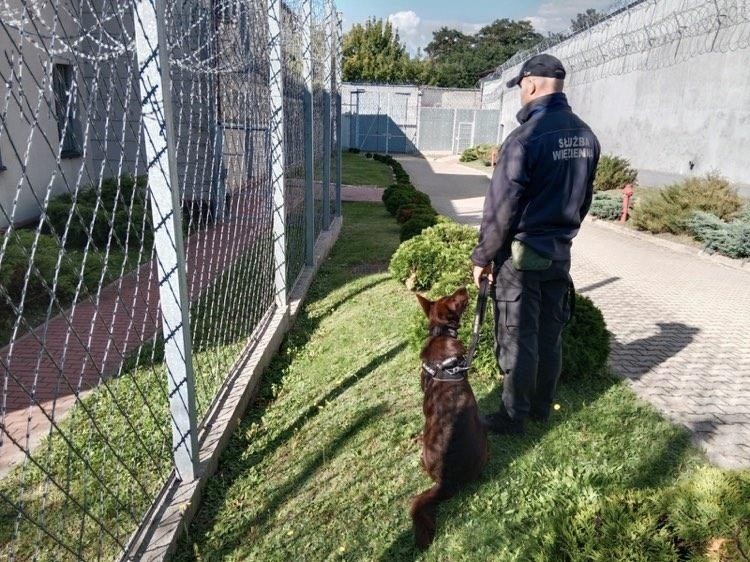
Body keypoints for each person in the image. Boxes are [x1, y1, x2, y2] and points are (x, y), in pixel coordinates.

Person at [470, 54, 600, 435]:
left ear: (529, 85)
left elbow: (501, 209)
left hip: (521, 257)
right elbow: (585, 198)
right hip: (559, 251)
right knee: (549, 334)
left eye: (520, 88)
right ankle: (542, 408)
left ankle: (514, 416)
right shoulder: (586, 135)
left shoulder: (524, 139)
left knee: (518, 336)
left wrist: (483, 256)